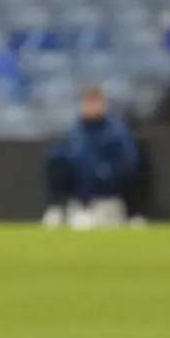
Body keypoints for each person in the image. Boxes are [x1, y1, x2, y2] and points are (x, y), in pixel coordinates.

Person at [43, 86, 139, 230]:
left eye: (95, 102)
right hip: (77, 200)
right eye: (87, 102)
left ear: (103, 104)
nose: (91, 107)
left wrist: (103, 174)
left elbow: (127, 165)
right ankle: (59, 210)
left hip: (106, 201)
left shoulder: (116, 132)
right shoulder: (75, 130)